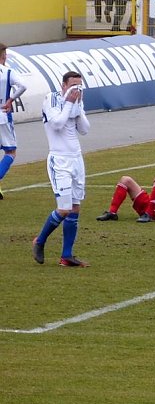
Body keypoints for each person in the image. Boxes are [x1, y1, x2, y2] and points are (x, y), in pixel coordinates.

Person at [32, 71, 90, 267]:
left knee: (75, 208)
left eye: (79, 86)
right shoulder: (52, 99)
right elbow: (56, 124)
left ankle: (66, 256)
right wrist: (68, 103)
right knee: (64, 209)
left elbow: (84, 129)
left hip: (76, 160)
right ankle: (40, 241)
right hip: (59, 160)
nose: (76, 89)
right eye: (73, 85)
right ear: (63, 85)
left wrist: (78, 107)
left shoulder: (76, 102)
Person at [0, 43, 27, 199]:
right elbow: (23, 86)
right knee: (10, 152)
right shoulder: (8, 72)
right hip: (3, 115)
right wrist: (11, 99)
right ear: (3, 55)